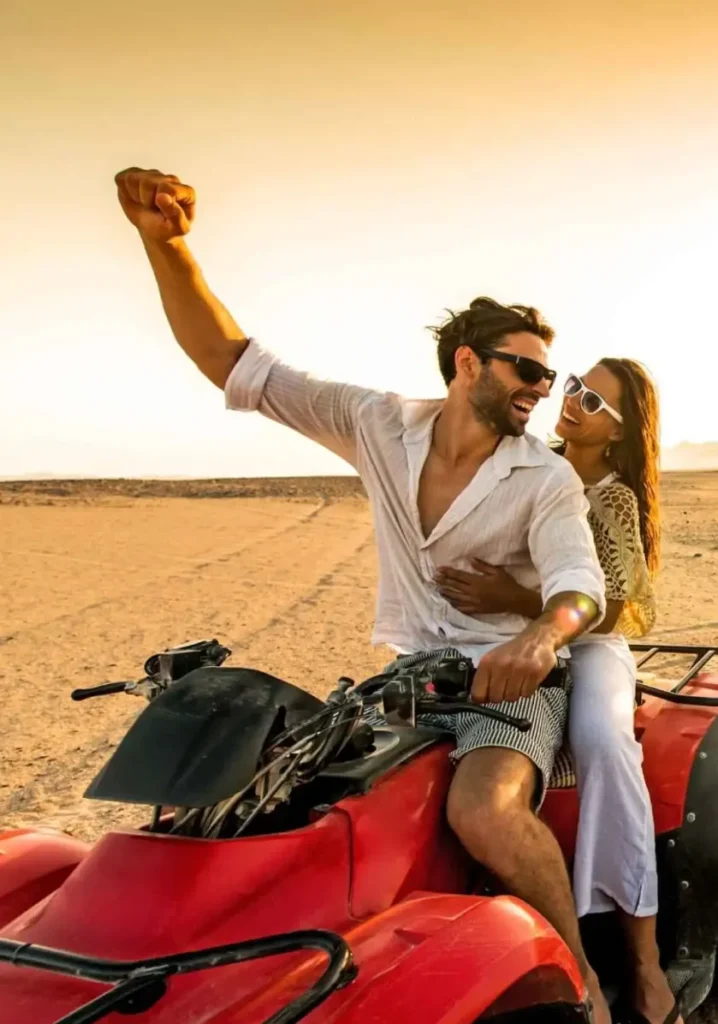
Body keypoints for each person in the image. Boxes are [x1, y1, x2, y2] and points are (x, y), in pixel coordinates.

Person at [114, 167, 620, 1021]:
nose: (542, 389)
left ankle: (583, 983)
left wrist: (537, 639)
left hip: (510, 685)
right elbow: (230, 361)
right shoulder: (377, 423)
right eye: (526, 371)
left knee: (484, 812)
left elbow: (581, 589)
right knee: (273, 802)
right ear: (468, 364)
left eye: (547, 376)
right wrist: (166, 247)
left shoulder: (544, 478)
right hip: (405, 679)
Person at [437, 361, 683, 1024]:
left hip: (590, 643)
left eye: (594, 400)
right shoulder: (527, 466)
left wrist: (518, 600)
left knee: (603, 742)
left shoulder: (612, 496)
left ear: (619, 433)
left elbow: (628, 608)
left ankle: (642, 957)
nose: (573, 401)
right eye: (574, 385)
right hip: (510, 637)